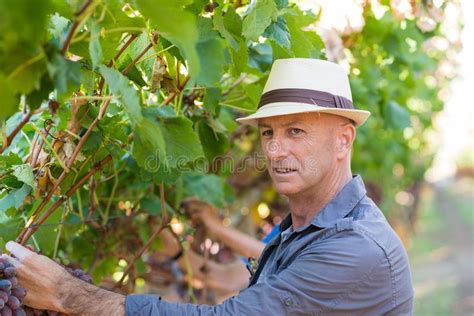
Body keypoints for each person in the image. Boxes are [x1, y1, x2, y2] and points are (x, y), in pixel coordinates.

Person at [3, 58, 414, 315]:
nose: (275, 149)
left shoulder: (355, 247)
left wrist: (66, 293)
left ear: (344, 140)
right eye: (268, 133)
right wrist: (179, 255)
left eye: (296, 131)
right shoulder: (303, 227)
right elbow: (240, 286)